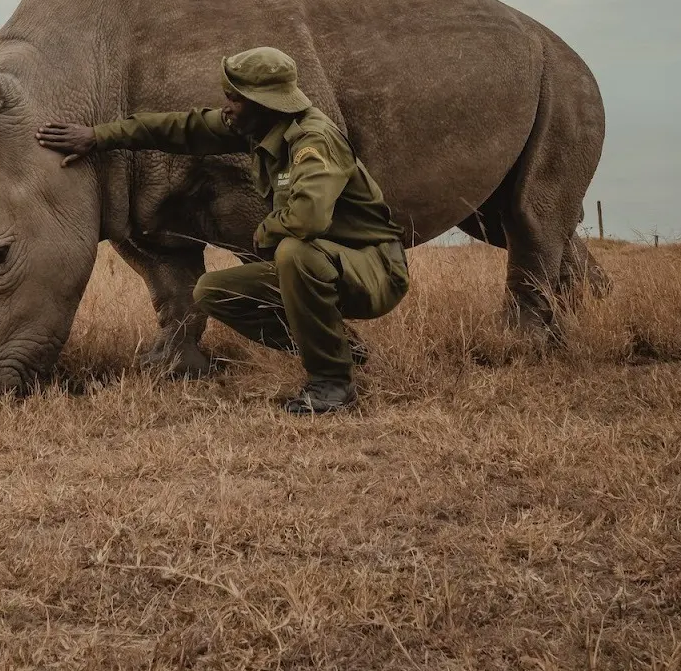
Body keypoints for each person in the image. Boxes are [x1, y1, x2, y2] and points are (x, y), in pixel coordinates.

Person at [36, 47, 410, 414]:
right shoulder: (256, 127)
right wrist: (98, 136)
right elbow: (178, 128)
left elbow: (306, 220)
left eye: (235, 98)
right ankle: (340, 346)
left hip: (373, 269)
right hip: (323, 268)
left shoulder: (313, 142)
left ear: (264, 103)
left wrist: (265, 231)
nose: (226, 106)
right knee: (213, 292)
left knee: (292, 252)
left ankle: (332, 384)